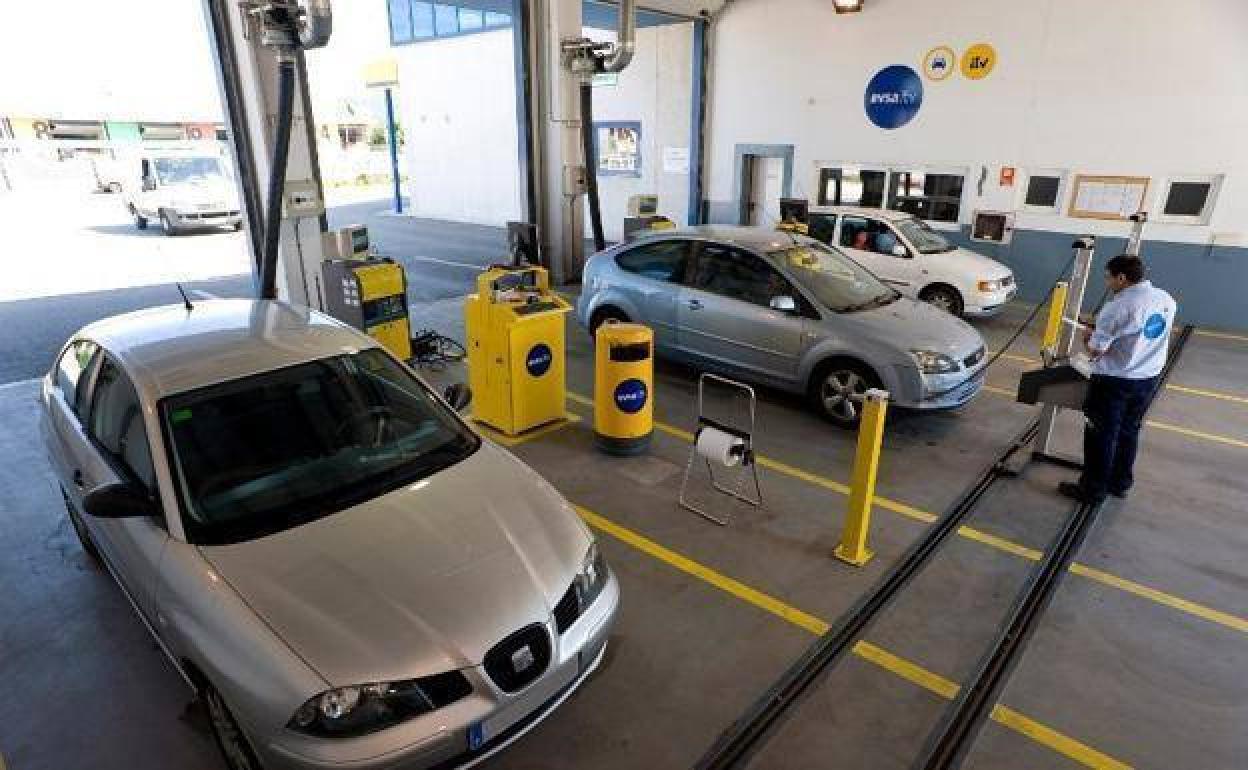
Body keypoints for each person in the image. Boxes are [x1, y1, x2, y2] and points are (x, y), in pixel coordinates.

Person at [1059, 254, 1177, 504]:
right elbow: (1141, 333)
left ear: (1121, 278)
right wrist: (1102, 327)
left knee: (1101, 435)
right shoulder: (1165, 298)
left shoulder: (1118, 307)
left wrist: (1089, 335)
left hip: (1115, 381)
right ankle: (1120, 482)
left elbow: (1095, 350)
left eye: (1108, 277)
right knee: (1128, 431)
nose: (1107, 282)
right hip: (1148, 378)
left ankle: (1092, 490)